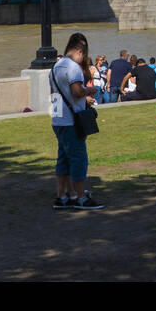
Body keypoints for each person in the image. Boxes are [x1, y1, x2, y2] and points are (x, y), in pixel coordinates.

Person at [50, 33, 103, 210]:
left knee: (63, 160)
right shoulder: (73, 68)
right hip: (71, 121)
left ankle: (62, 196)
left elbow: (55, 94)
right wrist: (90, 90)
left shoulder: (55, 67)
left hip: (58, 120)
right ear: (79, 51)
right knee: (79, 159)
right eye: (84, 55)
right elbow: (76, 91)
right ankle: (81, 198)